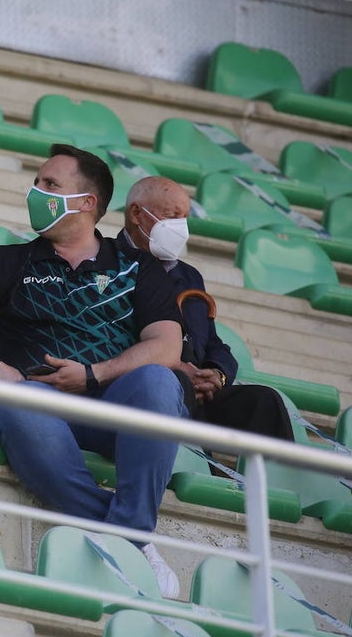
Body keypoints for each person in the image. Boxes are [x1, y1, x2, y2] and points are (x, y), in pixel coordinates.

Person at [0, 144, 187, 598]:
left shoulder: (138, 268)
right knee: (17, 405)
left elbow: (167, 345)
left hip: (111, 408)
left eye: (50, 185)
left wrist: (93, 373)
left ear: (88, 203)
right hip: (36, 403)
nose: (35, 192)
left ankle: (125, 536)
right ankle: (130, 542)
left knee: (158, 380)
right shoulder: (9, 262)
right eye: (36, 182)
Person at [120, 176, 294, 440]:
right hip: (149, 384)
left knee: (264, 401)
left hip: (199, 392)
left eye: (185, 218)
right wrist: (175, 367)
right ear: (136, 213)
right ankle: (203, 471)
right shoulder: (109, 265)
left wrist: (216, 374)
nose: (180, 227)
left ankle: (275, 481)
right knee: (176, 385)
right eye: (172, 216)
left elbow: (212, 341)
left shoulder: (189, 277)